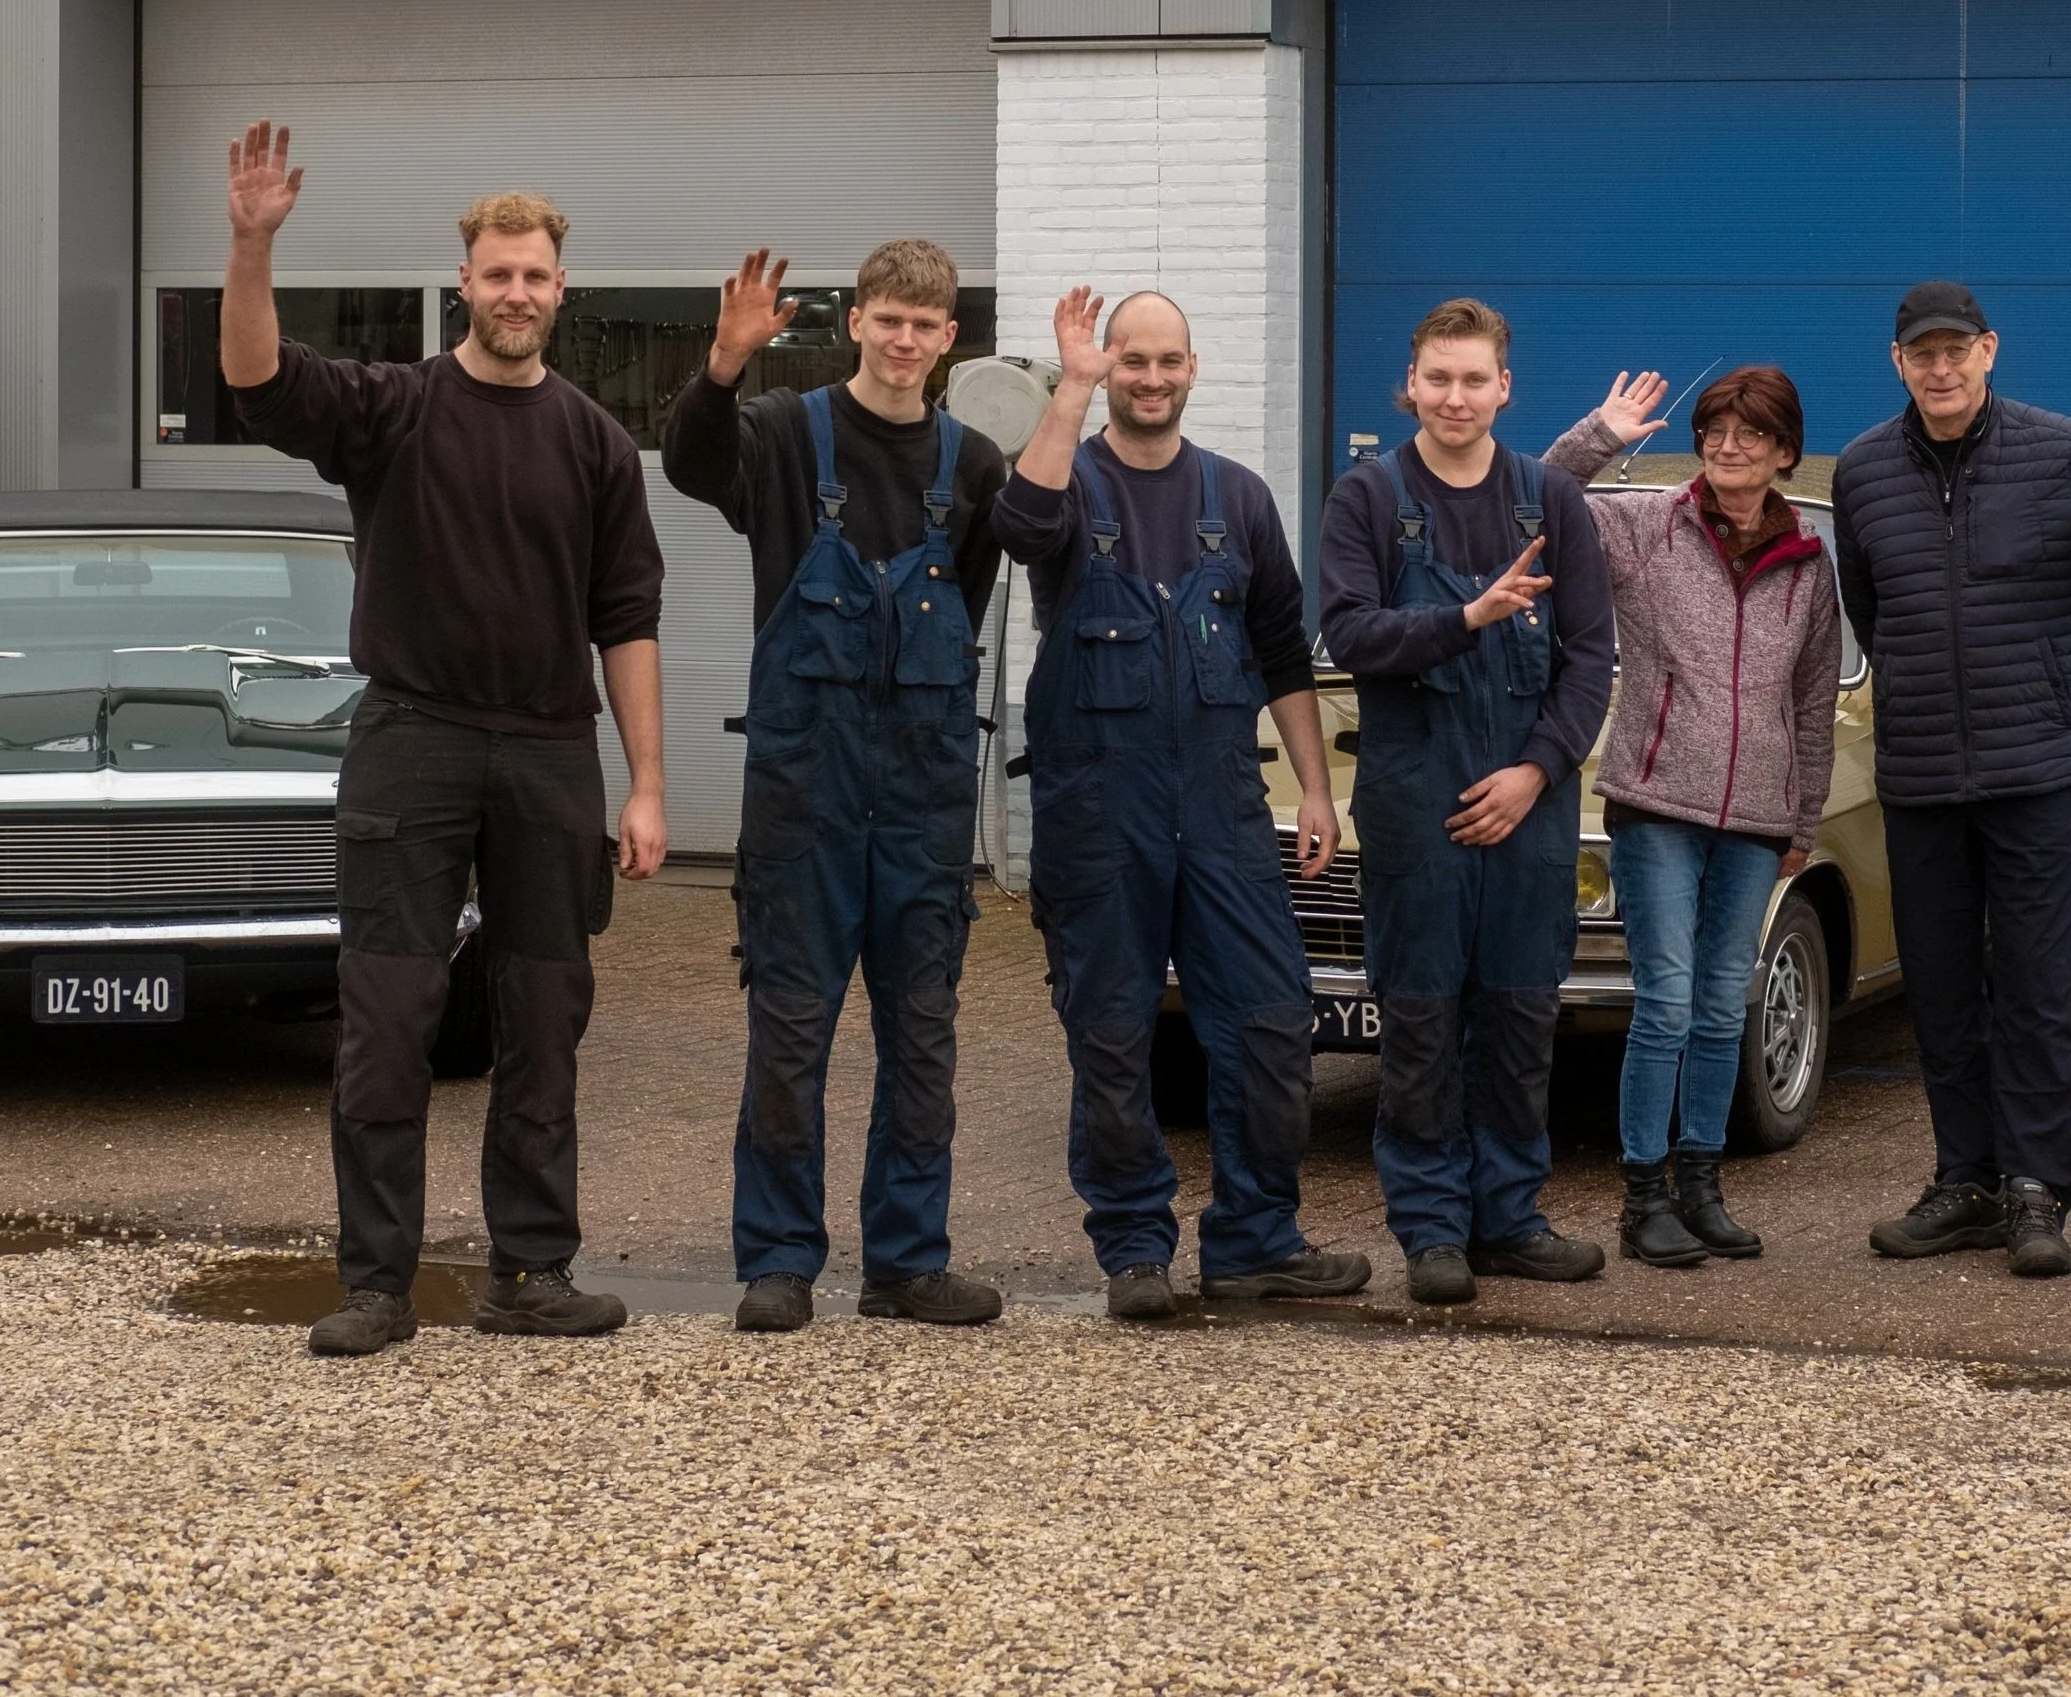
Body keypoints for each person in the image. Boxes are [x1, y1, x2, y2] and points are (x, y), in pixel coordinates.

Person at [219, 123, 669, 1358]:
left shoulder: (594, 443)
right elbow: (258, 380)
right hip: (410, 739)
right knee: (389, 1017)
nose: (516, 293)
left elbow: (627, 620)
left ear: (562, 290)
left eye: (536, 275)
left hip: (547, 751)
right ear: (463, 281)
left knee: (544, 1018)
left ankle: (531, 1274)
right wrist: (251, 246)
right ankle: (376, 1285)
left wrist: (646, 787)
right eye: (497, 273)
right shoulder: (393, 409)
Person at [997, 287, 1373, 1320]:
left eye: (1168, 361)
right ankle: (1133, 1250)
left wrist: (1314, 789)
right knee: (1111, 1035)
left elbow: (1282, 652)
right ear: (1108, 368)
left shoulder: (1238, 498)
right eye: (1132, 361)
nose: (1151, 378)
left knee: (1269, 1022)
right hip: (1097, 817)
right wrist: (1069, 392)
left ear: (1194, 368)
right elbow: (1018, 528)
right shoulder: (1067, 479)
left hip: (1223, 811)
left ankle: (1255, 1241)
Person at [663, 242, 1007, 1333]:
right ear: (855, 322)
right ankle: (778, 1261)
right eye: (887, 319)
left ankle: (907, 1263)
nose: (904, 340)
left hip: (921, 807)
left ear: (948, 339)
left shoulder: (975, 465)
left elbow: (972, 604)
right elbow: (688, 465)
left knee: (923, 1036)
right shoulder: (778, 434)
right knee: (790, 1031)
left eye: (924, 325)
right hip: (803, 805)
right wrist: (723, 366)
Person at [1835, 282, 2071, 1280]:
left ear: (1990, 351)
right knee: (1940, 991)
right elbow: (1871, 613)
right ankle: (1965, 1183)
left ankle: (2036, 1189)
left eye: (1956, 349)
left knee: (2035, 991)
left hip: (2036, 770)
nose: (1941, 368)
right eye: (1922, 353)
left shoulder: (2061, 450)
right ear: (1897, 362)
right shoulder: (1864, 470)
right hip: (1920, 775)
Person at [1317, 298, 1616, 1306]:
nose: (1455, 397)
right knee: (1420, 1020)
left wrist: (1536, 771)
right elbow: (1351, 635)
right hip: (1417, 802)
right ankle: (1433, 1228)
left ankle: (1510, 1219)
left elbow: (1590, 659)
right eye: (1437, 378)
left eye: (1473, 379)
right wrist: (1466, 616)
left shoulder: (1551, 501)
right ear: (1410, 385)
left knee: (1521, 1015)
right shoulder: (1367, 498)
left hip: (1529, 801)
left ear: (1504, 388)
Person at [1545, 367, 1843, 1266]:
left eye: (1751, 433)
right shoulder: (1646, 526)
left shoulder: (1809, 564)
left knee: (1722, 1005)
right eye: (1714, 430)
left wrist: (1802, 819)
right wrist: (1602, 433)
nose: (1728, 446)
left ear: (1784, 452)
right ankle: (1643, 1197)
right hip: (1656, 804)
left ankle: (1702, 1187)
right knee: (1667, 1000)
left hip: (1757, 815)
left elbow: (1813, 700)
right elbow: (1537, 501)